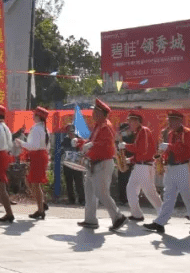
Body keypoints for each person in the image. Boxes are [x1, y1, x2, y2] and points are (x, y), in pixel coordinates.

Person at [144, 111, 190, 236]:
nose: (169, 123)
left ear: (179, 121)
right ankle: (160, 222)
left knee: (188, 196)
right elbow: (170, 150)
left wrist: (169, 147)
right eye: (169, 120)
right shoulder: (170, 133)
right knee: (168, 197)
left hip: (183, 167)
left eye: (172, 121)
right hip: (171, 167)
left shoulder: (188, 133)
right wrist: (161, 158)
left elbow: (188, 152)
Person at [73, 99, 128, 232]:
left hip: (103, 163)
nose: (92, 114)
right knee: (90, 191)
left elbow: (105, 144)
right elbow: (91, 142)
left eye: (95, 111)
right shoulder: (98, 126)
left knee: (101, 193)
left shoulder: (106, 126)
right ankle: (90, 220)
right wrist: (80, 142)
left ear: (102, 113)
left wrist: (90, 145)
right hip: (94, 163)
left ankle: (118, 217)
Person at [119, 111, 163, 222]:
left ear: (137, 121)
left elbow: (142, 149)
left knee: (149, 191)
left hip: (145, 166)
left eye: (131, 121)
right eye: (129, 121)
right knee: (131, 189)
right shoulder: (138, 132)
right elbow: (141, 153)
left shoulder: (144, 131)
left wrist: (126, 146)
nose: (130, 124)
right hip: (139, 165)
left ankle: (163, 213)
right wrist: (130, 160)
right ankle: (137, 214)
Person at [24, 107, 51, 220]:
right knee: (30, 181)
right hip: (41, 155)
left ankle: (40, 209)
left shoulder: (36, 129)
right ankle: (41, 204)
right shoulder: (45, 129)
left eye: (34, 115)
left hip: (37, 156)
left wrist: (21, 142)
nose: (33, 116)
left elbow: (33, 146)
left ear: (39, 117)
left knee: (34, 183)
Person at [60, 122, 86, 205]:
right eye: (69, 132)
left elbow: (83, 151)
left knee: (79, 182)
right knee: (69, 182)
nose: (71, 134)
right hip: (67, 164)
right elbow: (61, 151)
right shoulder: (65, 140)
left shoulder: (80, 140)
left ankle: (82, 199)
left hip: (77, 164)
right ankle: (71, 199)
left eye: (72, 132)